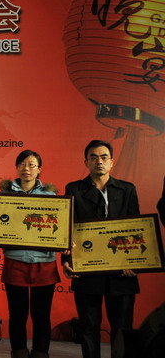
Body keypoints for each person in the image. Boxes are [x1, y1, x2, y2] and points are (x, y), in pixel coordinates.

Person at [63, 140, 140, 358]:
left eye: (104, 157)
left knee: (122, 329)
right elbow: (68, 228)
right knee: (88, 327)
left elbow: (136, 228)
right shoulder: (74, 189)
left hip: (122, 270)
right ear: (86, 162)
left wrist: (135, 262)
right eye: (94, 157)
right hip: (87, 268)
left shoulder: (127, 189)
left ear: (112, 162)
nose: (99, 161)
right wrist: (66, 260)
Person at [0, 150, 60, 358]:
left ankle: (41, 352)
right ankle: (19, 352)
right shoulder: (4, 196)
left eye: (32, 165)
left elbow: (59, 226)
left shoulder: (51, 197)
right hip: (15, 260)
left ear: (39, 169)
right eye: (22, 164)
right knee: (17, 314)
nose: (27, 168)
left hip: (45, 262)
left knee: (41, 315)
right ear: (17, 168)